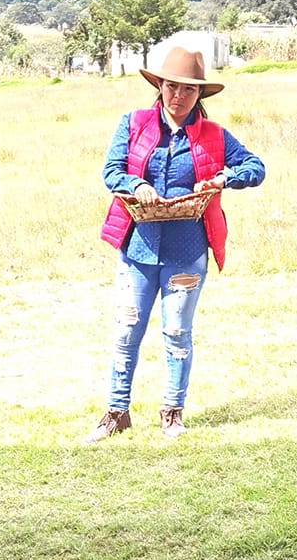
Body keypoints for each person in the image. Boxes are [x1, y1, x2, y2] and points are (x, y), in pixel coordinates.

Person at [87, 46, 264, 442]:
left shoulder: (215, 135)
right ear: (159, 86)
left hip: (187, 250)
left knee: (177, 330)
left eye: (187, 89)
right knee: (127, 329)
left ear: (199, 94)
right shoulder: (133, 123)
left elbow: (255, 167)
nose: (178, 96)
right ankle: (117, 411)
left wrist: (224, 179)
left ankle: (172, 411)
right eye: (171, 86)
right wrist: (138, 184)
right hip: (138, 248)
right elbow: (112, 171)